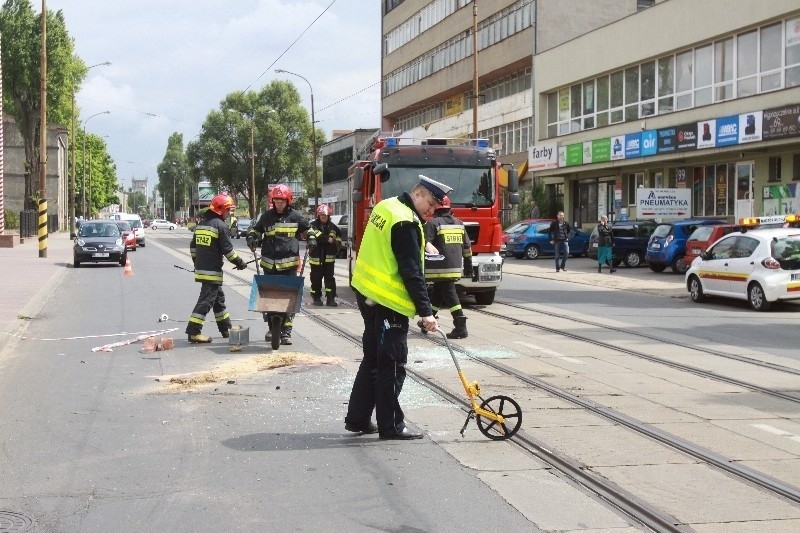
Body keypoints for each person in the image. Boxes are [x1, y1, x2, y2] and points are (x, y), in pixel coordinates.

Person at [344, 174, 451, 440]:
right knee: (391, 365)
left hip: (367, 293)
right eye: (431, 202)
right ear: (418, 194)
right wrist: (426, 312)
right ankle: (391, 426)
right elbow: (411, 271)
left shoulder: (386, 206)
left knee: (373, 360)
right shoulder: (405, 222)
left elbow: (383, 249)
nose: (432, 209)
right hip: (388, 302)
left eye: (436, 206)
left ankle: (357, 419)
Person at [247, 184, 310, 345]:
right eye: (276, 200)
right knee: (270, 299)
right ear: (272, 201)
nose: (279, 203)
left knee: (289, 300)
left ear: (288, 201)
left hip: (288, 267)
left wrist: (312, 238)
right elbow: (256, 230)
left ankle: (286, 332)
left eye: (282, 201)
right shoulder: (266, 216)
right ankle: (271, 328)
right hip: (269, 266)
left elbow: (309, 230)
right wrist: (252, 238)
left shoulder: (296, 216)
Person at [185, 193, 247, 344]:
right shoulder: (221, 226)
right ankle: (194, 332)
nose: (229, 214)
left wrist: (197, 263)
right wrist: (239, 263)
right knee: (206, 301)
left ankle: (226, 329)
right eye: (228, 210)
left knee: (218, 300)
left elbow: (193, 248)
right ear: (220, 210)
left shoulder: (201, 225)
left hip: (202, 268)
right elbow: (228, 251)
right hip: (212, 272)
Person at [420, 196, 472, 339]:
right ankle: (426, 322)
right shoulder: (459, 223)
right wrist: (468, 264)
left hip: (438, 268)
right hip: (455, 267)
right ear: (449, 209)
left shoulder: (433, 223)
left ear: (435, 209)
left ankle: (460, 326)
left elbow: (425, 243)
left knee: (450, 295)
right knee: (437, 294)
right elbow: (467, 246)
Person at [307, 204, 342, 307]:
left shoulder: (333, 227)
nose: (323, 217)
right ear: (318, 215)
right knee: (316, 279)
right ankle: (316, 297)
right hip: (316, 259)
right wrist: (328, 239)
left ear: (328, 216)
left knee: (330, 280)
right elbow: (316, 237)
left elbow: (339, 236)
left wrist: (337, 244)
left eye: (325, 215)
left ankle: (331, 298)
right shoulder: (313, 226)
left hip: (329, 259)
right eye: (321, 215)